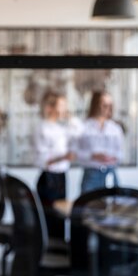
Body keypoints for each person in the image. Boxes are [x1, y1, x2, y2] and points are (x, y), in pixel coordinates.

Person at [33, 90, 80, 239]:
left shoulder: (62, 128)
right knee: (48, 219)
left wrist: (70, 117)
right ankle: (46, 255)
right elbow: (42, 159)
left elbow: (81, 131)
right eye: (62, 105)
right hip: (48, 179)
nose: (64, 109)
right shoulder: (42, 128)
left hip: (61, 177)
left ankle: (58, 253)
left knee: (61, 217)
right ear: (51, 107)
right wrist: (63, 157)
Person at [75, 91, 125, 193]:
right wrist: (92, 156)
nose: (108, 108)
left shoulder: (115, 128)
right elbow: (76, 153)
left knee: (113, 206)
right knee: (88, 207)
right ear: (96, 105)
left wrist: (113, 157)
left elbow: (120, 154)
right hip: (91, 175)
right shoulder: (83, 127)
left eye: (110, 105)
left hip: (110, 173)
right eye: (104, 105)